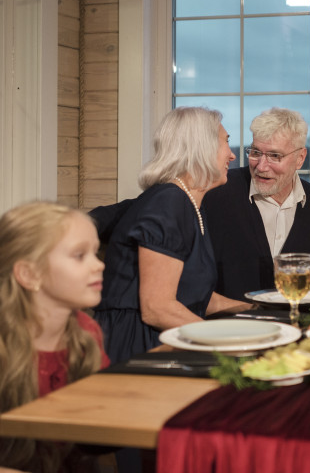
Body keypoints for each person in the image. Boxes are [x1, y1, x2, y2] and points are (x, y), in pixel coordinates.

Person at [0, 202, 110, 472]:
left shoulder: (86, 332)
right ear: (29, 274)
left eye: (96, 253)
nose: (99, 265)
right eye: (79, 255)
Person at [92, 106, 250, 364]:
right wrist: (225, 344)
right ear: (202, 147)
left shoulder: (188, 203)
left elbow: (195, 295)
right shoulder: (169, 202)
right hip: (138, 346)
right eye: (226, 142)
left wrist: (255, 310)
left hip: (164, 339)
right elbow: (157, 309)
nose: (232, 156)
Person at [204, 107, 310, 301]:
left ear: (300, 158)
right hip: (230, 325)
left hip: (291, 324)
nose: (261, 166)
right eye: (255, 153)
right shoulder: (219, 192)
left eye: (275, 156)